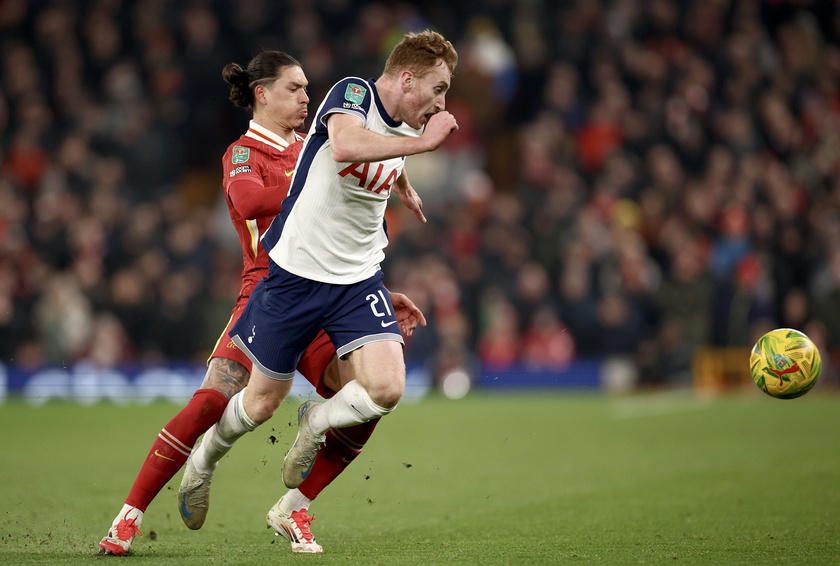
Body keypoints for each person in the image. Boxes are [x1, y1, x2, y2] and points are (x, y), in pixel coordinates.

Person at [99, 50, 427, 556]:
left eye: (308, 89)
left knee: (370, 399)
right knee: (216, 401)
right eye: (294, 89)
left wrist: (376, 287)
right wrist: (318, 176)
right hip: (268, 289)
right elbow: (251, 201)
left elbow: (355, 228)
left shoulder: (319, 144)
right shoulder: (244, 152)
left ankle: (296, 504)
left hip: (334, 291)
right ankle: (131, 515)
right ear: (262, 94)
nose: (306, 98)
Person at [177, 29, 458, 553]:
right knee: (259, 404)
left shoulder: (400, 131)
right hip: (297, 274)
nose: (443, 104)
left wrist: (403, 182)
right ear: (407, 78)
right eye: (438, 89)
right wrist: (424, 144)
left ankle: (314, 428)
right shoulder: (353, 94)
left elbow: (380, 157)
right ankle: (205, 457)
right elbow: (348, 143)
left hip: (357, 280)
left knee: (388, 390)